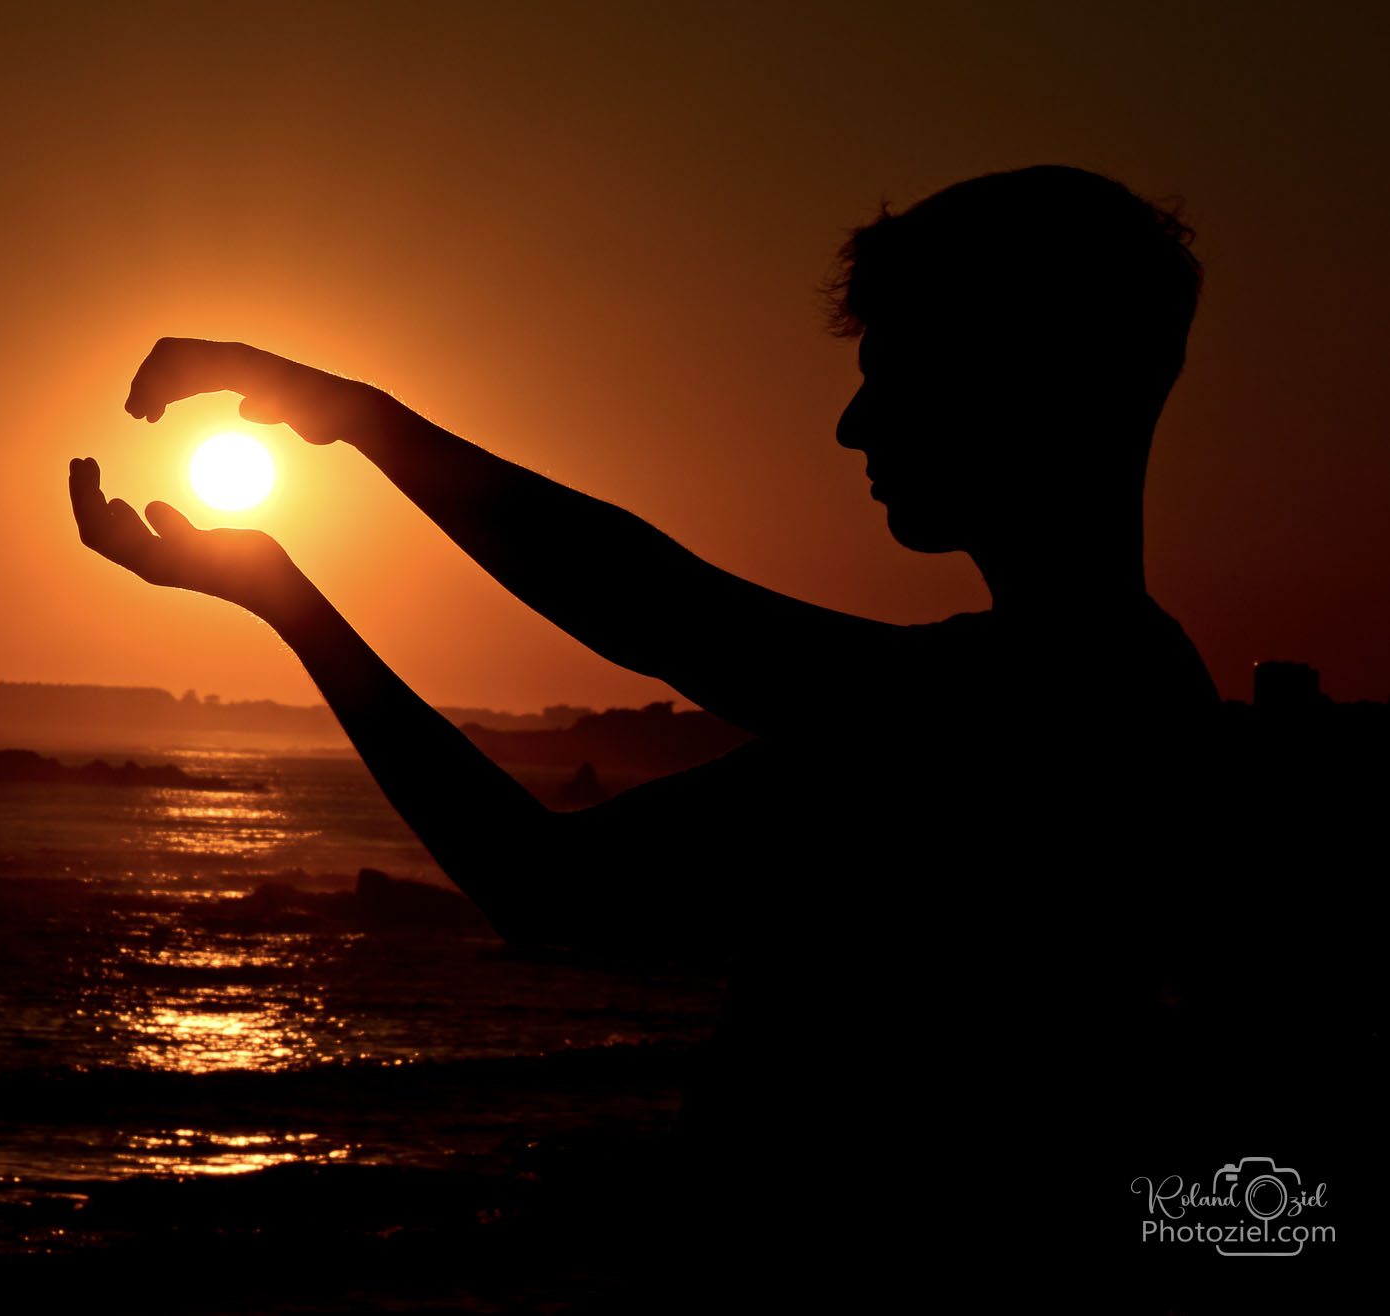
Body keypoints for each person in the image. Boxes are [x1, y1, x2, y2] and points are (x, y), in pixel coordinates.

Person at [70, 165, 1228, 1308]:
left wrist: (358, 427)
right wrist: (290, 593)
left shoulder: (1047, 702)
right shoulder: (1046, 691)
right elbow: (550, 881)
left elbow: (662, 616)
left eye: (894, 371)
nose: (850, 422)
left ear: (1020, 377)